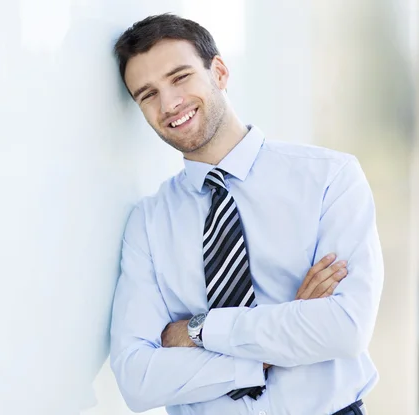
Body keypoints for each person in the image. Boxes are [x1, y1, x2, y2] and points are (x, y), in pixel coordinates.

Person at [109, 13, 383, 415]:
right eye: (147, 94)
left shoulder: (330, 177)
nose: (169, 103)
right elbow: (137, 379)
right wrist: (279, 339)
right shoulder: (148, 223)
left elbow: (344, 329)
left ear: (218, 71)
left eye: (180, 77)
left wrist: (198, 330)